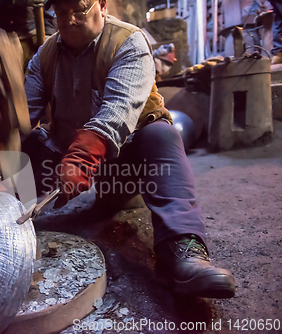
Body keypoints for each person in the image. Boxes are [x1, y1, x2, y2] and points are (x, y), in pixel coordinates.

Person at [22, 0, 236, 299]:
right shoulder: (44, 55)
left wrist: (82, 157)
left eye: (80, 10)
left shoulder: (129, 41)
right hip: (68, 152)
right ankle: (0, 223)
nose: (69, 20)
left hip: (126, 157)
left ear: (103, 5)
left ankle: (181, 251)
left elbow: (119, 109)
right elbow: (24, 115)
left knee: (162, 135)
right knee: (27, 146)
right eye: (61, 11)